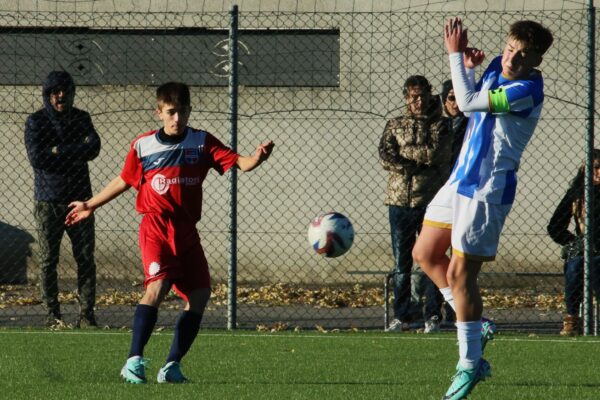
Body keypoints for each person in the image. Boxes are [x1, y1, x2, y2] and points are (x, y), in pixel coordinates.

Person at [65, 82, 273, 384]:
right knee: (157, 286)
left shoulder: (202, 143)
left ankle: (171, 366)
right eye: (171, 112)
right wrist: (90, 204)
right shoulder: (143, 146)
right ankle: (133, 361)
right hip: (156, 227)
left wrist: (258, 158)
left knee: (200, 294)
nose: (177, 118)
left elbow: (241, 163)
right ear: (159, 112)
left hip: (187, 231)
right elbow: (124, 180)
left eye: (183, 112)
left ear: (189, 112)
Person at [411, 18, 553, 399]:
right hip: (460, 180)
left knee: (460, 275)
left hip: (487, 191)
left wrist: (455, 57)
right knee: (424, 253)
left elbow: (471, 102)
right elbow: (468, 109)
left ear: (537, 59)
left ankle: (470, 367)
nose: (512, 58)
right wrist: (472, 69)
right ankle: (474, 322)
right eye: (510, 49)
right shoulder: (494, 65)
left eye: (524, 55)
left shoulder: (526, 90)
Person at [24, 70, 101, 328]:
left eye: (65, 91)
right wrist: (75, 151)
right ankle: (52, 315)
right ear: (48, 95)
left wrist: (58, 150)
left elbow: (94, 148)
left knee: (85, 258)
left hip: (80, 201)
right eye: (55, 92)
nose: (61, 96)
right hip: (49, 201)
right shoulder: (36, 122)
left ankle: (87, 314)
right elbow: (37, 158)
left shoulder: (81, 118)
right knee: (48, 260)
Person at [378, 75, 452, 334]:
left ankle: (433, 314)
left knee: (432, 258)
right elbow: (386, 156)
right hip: (399, 202)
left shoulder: (441, 125)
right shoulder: (395, 124)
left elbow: (437, 153)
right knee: (402, 264)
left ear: (429, 95)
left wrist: (406, 155)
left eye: (421, 96)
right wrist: (413, 163)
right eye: (413, 97)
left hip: (431, 201)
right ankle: (401, 316)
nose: (418, 101)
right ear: (406, 98)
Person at [548, 150, 600, 336]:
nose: (599, 173)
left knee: (596, 265)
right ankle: (572, 319)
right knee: (575, 266)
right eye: (595, 168)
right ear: (585, 170)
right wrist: (574, 242)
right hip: (586, 249)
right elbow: (554, 227)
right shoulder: (577, 195)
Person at [440, 79, 469, 168]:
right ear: (445, 100)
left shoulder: (470, 123)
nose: (456, 105)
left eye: (459, 98)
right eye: (452, 98)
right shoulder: (435, 123)